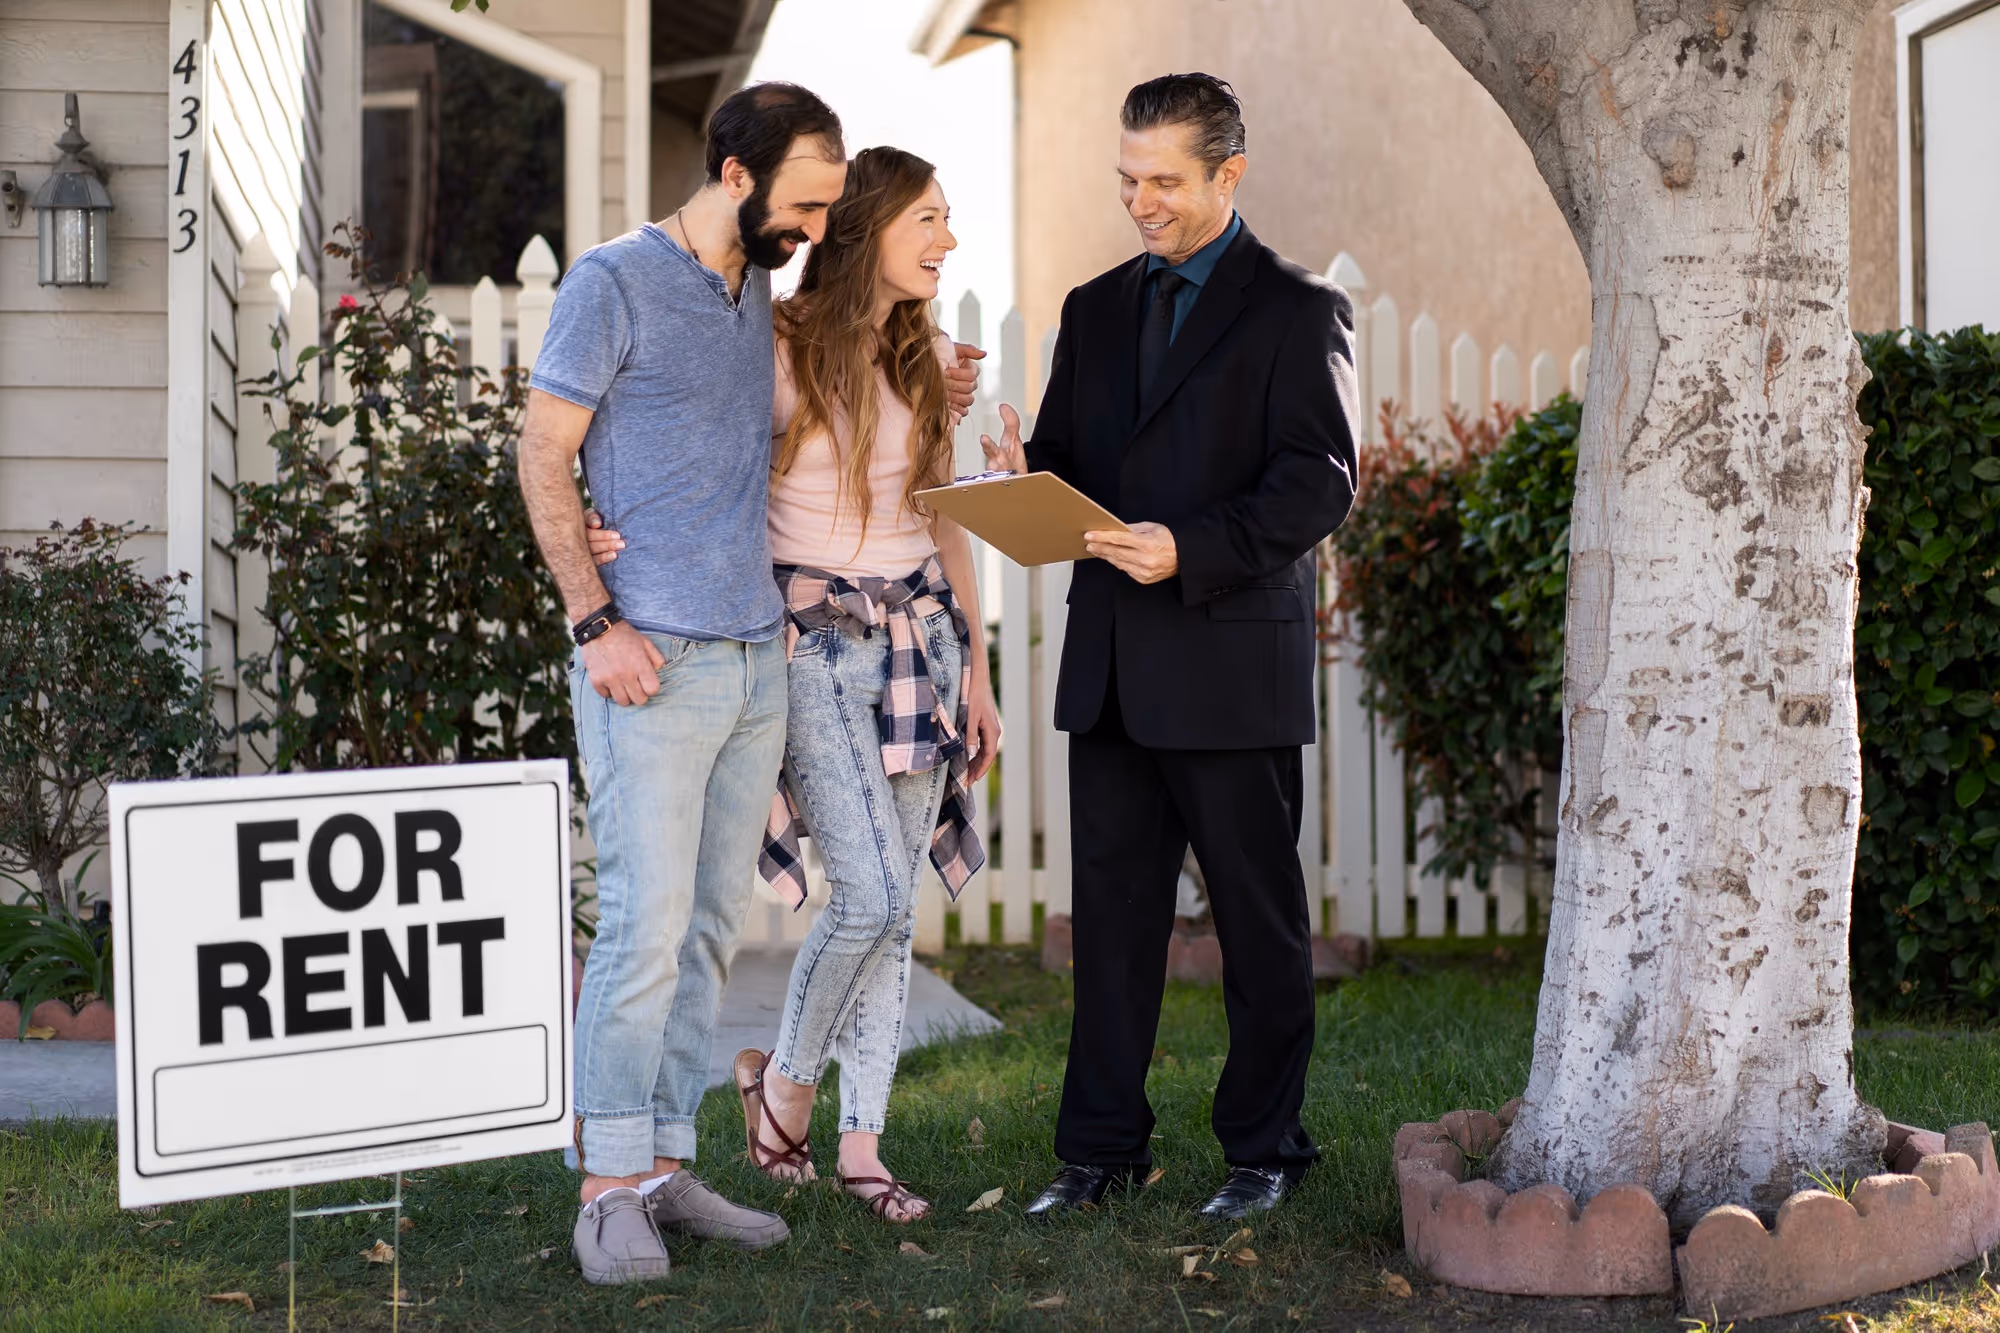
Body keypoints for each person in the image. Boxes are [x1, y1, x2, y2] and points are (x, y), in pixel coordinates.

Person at [518, 85, 980, 1285]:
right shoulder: (611, 281)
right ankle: (605, 1186)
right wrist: (593, 616)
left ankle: (667, 1164)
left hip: (753, 657)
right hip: (647, 662)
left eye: (835, 206)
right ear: (734, 173)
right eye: (807, 202)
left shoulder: (759, 292)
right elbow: (540, 450)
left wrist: (942, 376)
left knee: (712, 933)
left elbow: (835, 380)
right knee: (641, 930)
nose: (822, 226)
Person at [980, 73, 1358, 1222]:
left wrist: (1185, 548)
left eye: (1163, 182)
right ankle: (1097, 1151)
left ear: (1226, 176)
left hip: (1226, 662)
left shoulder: (1297, 311)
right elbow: (1070, 461)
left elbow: (1318, 483)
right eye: (1126, 180)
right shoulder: (1092, 308)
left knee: (1257, 925)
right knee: (1110, 923)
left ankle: (1264, 1149)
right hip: (1108, 674)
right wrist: (1020, 472)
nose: (1139, 202)